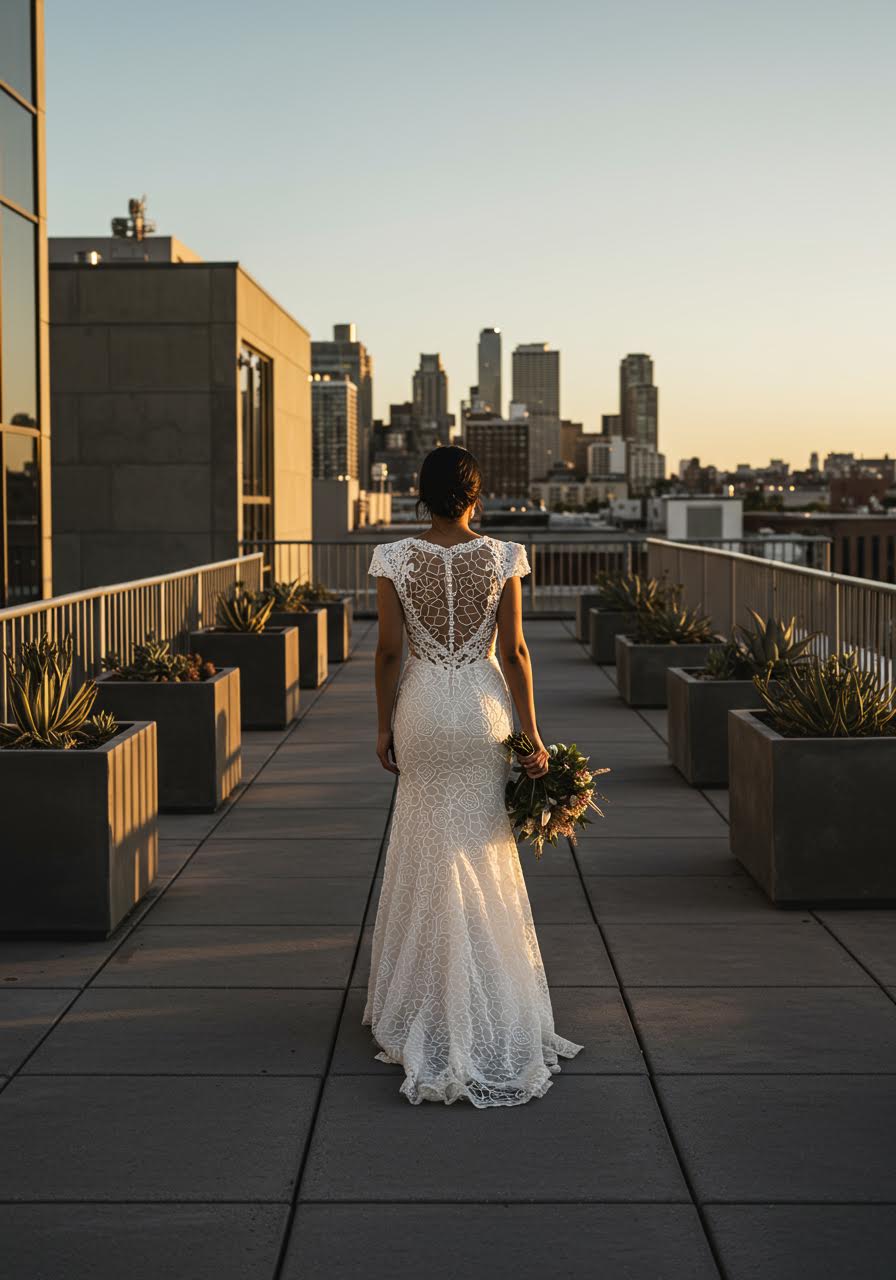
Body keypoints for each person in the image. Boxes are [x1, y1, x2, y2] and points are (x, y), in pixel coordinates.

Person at [364, 445, 582, 1107]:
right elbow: (514, 651)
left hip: (425, 710)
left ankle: (421, 1002)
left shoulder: (395, 558)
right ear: (475, 495)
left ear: (419, 496)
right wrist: (532, 733)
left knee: (426, 844)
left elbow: (388, 651)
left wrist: (382, 725)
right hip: (483, 709)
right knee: (482, 849)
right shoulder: (502, 556)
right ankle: (490, 1000)